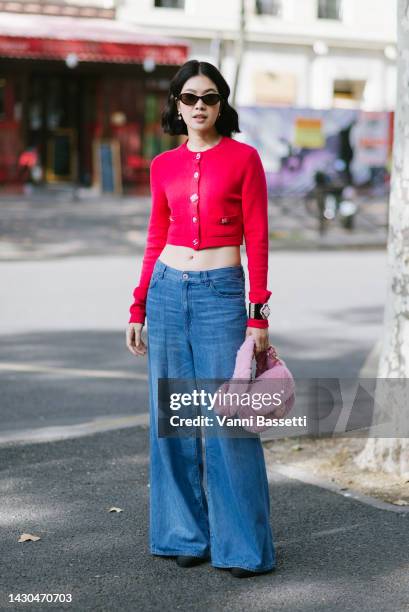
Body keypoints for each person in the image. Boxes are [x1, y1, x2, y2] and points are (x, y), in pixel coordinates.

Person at [126, 60, 276, 579]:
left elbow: (256, 238)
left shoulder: (244, 159)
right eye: (188, 99)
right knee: (173, 418)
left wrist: (258, 315)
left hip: (220, 295)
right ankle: (183, 535)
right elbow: (154, 236)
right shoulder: (162, 165)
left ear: (221, 103)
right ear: (175, 104)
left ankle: (243, 549)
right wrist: (139, 303)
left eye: (208, 98)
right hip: (167, 292)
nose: (198, 108)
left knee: (229, 420)